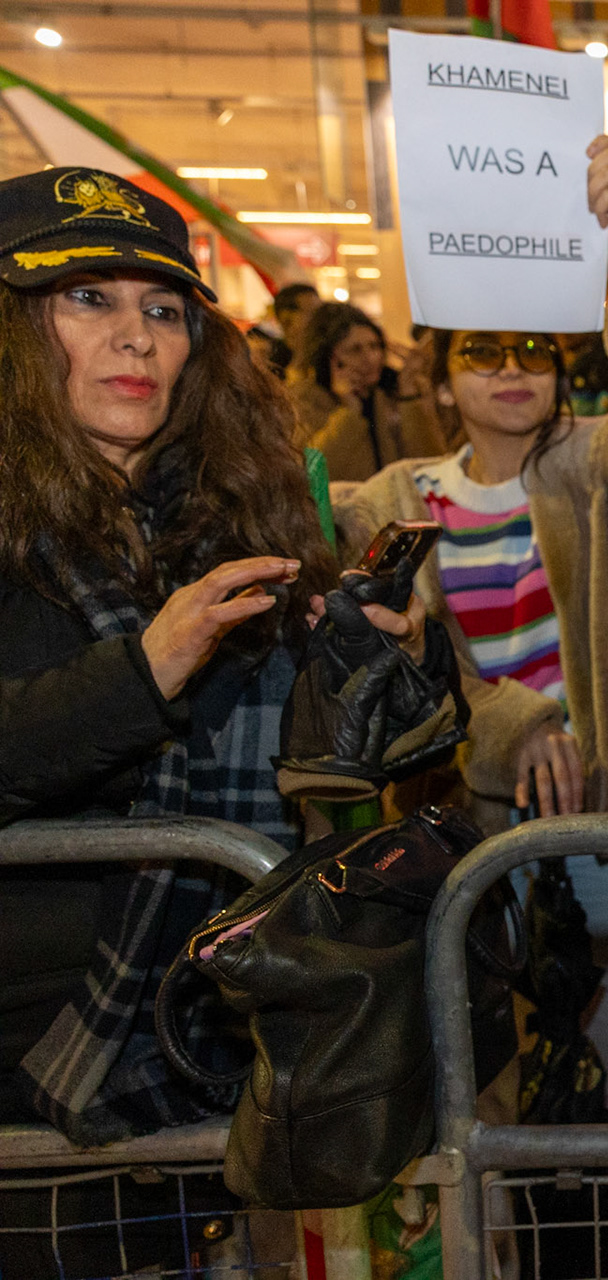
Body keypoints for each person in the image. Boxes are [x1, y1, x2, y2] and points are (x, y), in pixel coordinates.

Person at [0, 167, 421, 1273]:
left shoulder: (235, 513)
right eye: (88, 300)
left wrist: (373, 669)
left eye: (163, 309)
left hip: (218, 1045)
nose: (135, 337)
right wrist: (144, 671)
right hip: (36, 1070)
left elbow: (317, 776)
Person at [331, 138, 608, 1126]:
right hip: (458, 815)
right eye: (479, 351)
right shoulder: (389, 506)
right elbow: (406, 664)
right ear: (442, 380)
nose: (509, 368)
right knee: (476, 1073)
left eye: (530, 350)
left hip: (603, 810)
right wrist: (520, 721)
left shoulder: (589, 471)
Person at [288, 301, 447, 482]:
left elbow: (430, 463)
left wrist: (408, 395)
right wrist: (349, 412)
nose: (371, 358)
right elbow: (313, 471)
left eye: (375, 346)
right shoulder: (304, 400)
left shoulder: (387, 393)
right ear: (328, 358)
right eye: (355, 349)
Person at [265, 280, 319, 377]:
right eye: (311, 312)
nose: (319, 318)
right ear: (285, 318)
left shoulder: (324, 354)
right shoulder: (272, 360)